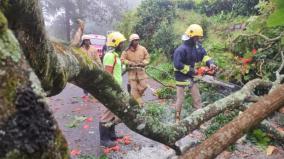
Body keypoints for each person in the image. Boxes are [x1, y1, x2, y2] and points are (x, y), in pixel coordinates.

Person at [173, 24, 217, 123]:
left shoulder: (197, 47)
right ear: (190, 37)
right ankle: (177, 118)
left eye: (199, 37)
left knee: (197, 97)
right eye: (196, 37)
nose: (198, 39)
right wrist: (193, 71)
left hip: (190, 75)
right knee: (180, 98)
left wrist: (211, 64)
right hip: (181, 76)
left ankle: (200, 119)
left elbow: (204, 56)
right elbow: (177, 64)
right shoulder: (181, 50)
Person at [99, 31, 126, 147]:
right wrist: (110, 91)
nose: (123, 46)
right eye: (122, 43)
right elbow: (108, 75)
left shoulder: (115, 56)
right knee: (107, 113)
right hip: (110, 90)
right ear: (116, 43)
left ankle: (112, 135)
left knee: (113, 113)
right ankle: (104, 139)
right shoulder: (110, 56)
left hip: (116, 89)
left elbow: (117, 72)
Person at [121, 34, 150, 106]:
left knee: (144, 86)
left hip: (141, 73)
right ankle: (140, 104)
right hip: (132, 74)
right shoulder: (126, 51)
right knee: (134, 90)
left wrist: (143, 63)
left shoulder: (143, 49)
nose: (137, 42)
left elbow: (147, 58)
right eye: (135, 40)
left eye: (137, 40)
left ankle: (135, 98)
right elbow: (122, 59)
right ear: (131, 42)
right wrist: (130, 63)